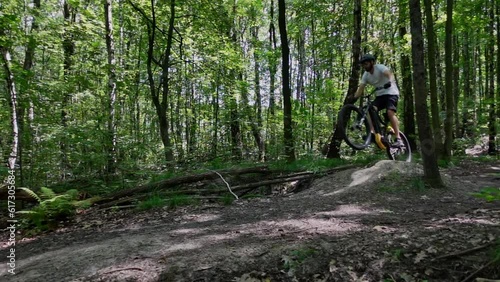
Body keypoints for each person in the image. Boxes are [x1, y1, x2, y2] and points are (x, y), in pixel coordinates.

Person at [351, 54, 403, 147]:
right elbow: (360, 89)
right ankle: (372, 133)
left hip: (391, 92)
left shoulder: (380, 68)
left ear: (372, 62)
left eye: (366, 63)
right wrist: (353, 99)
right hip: (380, 96)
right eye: (363, 65)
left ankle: (398, 138)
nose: (364, 66)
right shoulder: (366, 75)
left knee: (390, 112)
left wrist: (390, 81)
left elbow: (390, 74)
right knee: (370, 110)